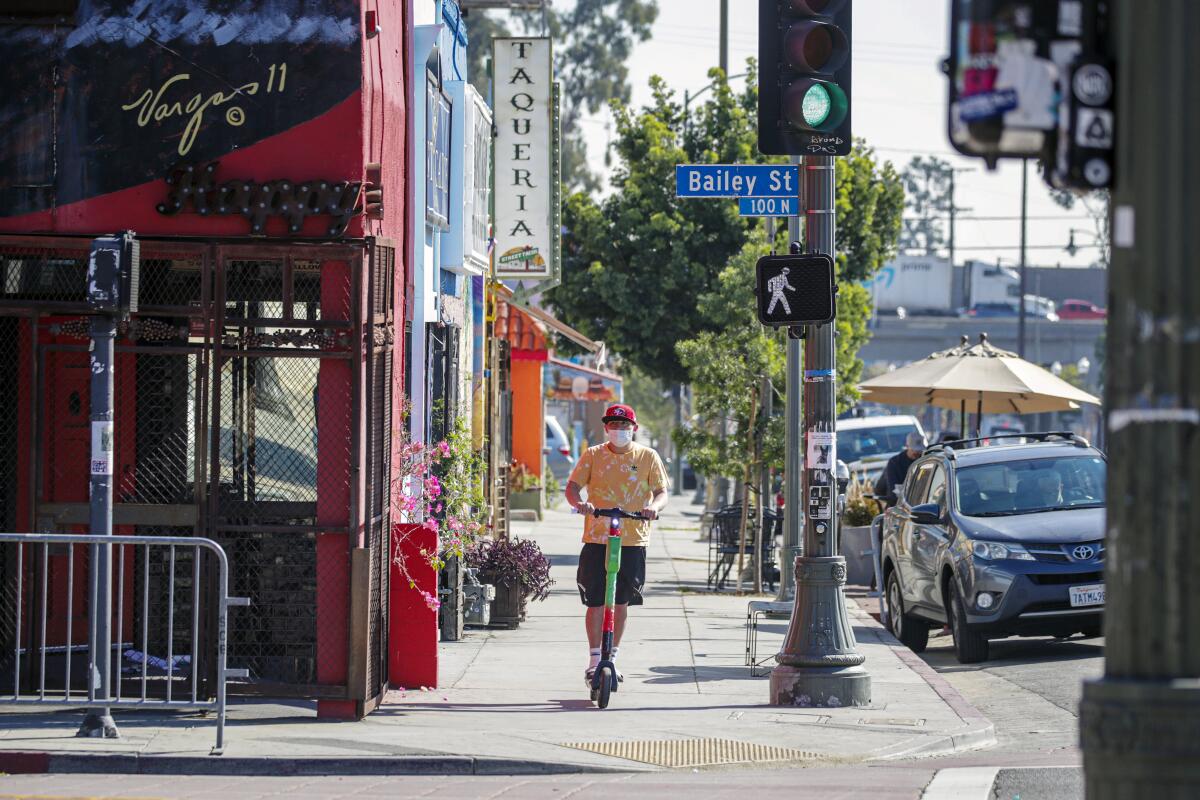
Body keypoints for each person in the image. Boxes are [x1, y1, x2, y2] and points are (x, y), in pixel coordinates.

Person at [565, 403, 669, 686]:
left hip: (633, 537)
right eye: (614, 425)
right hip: (597, 536)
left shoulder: (648, 456)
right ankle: (594, 659)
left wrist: (653, 508)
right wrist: (581, 504)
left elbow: (661, 491)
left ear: (634, 428)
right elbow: (573, 487)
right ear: (606, 428)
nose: (619, 430)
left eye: (624, 426)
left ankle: (613, 655)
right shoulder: (593, 455)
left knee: (622, 601)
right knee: (596, 600)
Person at [873, 431, 927, 507]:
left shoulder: (925, 461)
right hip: (898, 505)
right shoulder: (895, 463)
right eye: (913, 449)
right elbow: (893, 491)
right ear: (907, 446)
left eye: (919, 450)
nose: (917, 452)